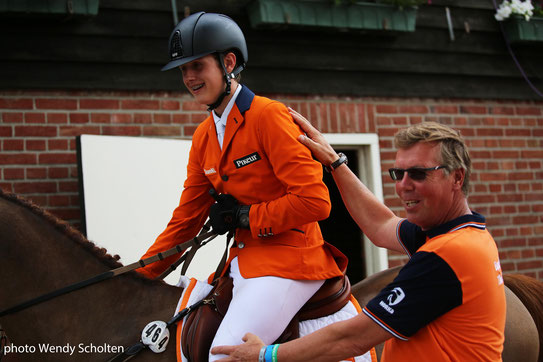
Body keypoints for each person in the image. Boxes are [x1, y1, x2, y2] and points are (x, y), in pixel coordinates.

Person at [136, 12, 348, 361]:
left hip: (290, 263)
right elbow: (185, 221)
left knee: (223, 357)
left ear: (228, 62)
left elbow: (315, 202)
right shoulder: (204, 136)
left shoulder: (269, 116)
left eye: (197, 66)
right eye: (183, 70)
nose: (189, 77)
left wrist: (246, 216)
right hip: (242, 261)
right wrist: (137, 277)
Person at [211, 113, 506, 361]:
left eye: (418, 174)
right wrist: (335, 163)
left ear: (457, 177)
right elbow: (381, 226)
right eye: (398, 174)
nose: (403, 186)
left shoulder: (445, 255)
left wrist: (265, 355)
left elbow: (352, 338)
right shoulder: (461, 235)